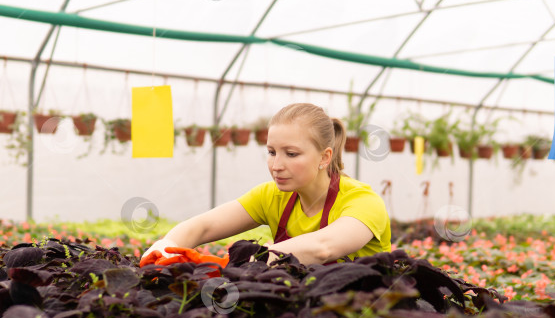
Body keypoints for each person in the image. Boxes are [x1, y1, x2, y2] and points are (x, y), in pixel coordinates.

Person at [143, 103, 392, 266]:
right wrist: (166, 246)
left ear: (324, 157)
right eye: (272, 152)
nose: (276, 165)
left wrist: (252, 260)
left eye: (291, 154)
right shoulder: (271, 196)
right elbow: (205, 227)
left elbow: (323, 248)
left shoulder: (363, 202)